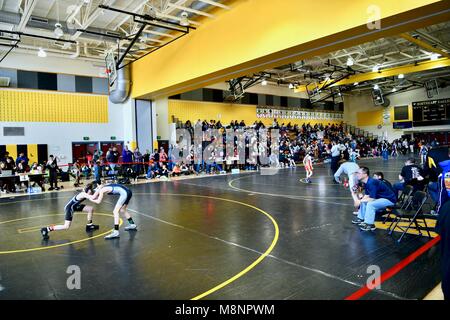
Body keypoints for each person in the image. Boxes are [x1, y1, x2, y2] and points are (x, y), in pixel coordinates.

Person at [352, 167, 397, 231]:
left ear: (365, 175)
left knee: (371, 204)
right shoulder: (366, 182)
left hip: (389, 199)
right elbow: (367, 195)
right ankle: (361, 218)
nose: (357, 174)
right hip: (381, 198)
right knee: (364, 201)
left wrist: (359, 201)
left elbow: (372, 198)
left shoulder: (371, 182)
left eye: (359, 173)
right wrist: (359, 201)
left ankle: (370, 224)